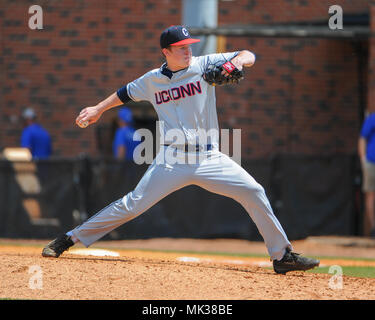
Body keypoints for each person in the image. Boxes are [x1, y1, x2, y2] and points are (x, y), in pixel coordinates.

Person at [42, 25, 319, 274]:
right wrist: (98, 109)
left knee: (253, 191)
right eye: (181, 48)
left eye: (189, 45)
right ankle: (70, 238)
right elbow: (124, 93)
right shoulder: (152, 79)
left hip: (209, 157)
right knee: (132, 204)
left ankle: (282, 256)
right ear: (166, 52)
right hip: (171, 159)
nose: (188, 50)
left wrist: (232, 65)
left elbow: (249, 54)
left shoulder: (203, 65)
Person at [358, 111, 375, 237]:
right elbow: (362, 139)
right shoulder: (372, 118)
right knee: (371, 194)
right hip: (371, 162)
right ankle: (373, 228)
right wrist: (363, 159)